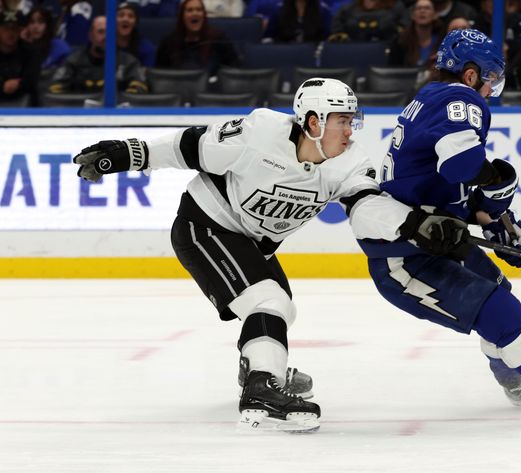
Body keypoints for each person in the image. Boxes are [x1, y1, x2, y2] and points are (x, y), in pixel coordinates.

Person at [70, 77, 417, 432]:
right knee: (268, 301)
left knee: (282, 307)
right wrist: (128, 153)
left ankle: (258, 368)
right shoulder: (260, 133)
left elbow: (366, 206)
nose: (350, 130)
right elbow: (190, 147)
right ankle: (260, 388)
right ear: (313, 121)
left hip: (251, 241)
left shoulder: (351, 163)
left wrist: (413, 226)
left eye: (351, 120)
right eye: (342, 120)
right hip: (204, 225)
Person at [360, 28, 521, 422]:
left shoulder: (431, 98)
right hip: (406, 258)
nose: (489, 92)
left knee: (500, 297)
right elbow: (461, 165)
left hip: (434, 242)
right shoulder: (459, 97)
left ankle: (518, 382)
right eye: (490, 81)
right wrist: (499, 185)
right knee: (500, 312)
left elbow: (443, 182)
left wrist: (498, 219)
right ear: (470, 75)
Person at [49, 15, 148, 94]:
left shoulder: (129, 62)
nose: (106, 37)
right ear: (90, 35)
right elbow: (55, 89)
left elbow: (140, 88)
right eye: (101, 32)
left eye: (110, 32)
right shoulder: (74, 61)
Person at [156, 0, 240, 74]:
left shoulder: (219, 39)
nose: (195, 13)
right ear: (182, 16)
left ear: (204, 15)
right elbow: (160, 74)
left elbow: (234, 69)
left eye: (199, 10)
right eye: (189, 10)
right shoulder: (169, 42)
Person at [0, 9, 39, 104]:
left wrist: (19, 84)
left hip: (24, 103)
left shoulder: (30, 51)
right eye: (6, 28)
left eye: (15, 29)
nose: (11, 33)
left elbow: (33, 79)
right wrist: (2, 86)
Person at [388, 0, 441, 68]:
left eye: (427, 8)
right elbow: (392, 71)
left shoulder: (442, 40)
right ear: (412, 15)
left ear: (435, 15)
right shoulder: (400, 41)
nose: (422, 11)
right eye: (418, 8)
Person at [328, 0, 403, 42]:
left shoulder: (397, 6)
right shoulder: (347, 9)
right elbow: (337, 31)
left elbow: (405, 29)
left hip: (389, 52)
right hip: (353, 51)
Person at [116, 2, 156, 67]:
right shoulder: (105, 44)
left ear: (136, 22)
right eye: (121, 15)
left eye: (130, 16)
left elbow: (147, 75)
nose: (125, 19)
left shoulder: (146, 48)